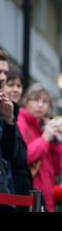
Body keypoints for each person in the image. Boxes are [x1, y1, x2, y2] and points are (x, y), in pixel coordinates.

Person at [17, 83, 62, 212]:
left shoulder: (43, 125)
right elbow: (24, 156)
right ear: (25, 101)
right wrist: (45, 137)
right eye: (36, 99)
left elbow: (56, 169)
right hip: (29, 197)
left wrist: (56, 141)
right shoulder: (20, 121)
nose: (40, 105)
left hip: (45, 197)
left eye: (45, 101)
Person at [3, 63, 33, 211]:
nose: (16, 89)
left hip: (19, 191)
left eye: (19, 86)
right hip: (10, 191)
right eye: (11, 84)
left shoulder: (14, 114)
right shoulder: (9, 115)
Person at [0, 50, 16, 210]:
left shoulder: (3, 107)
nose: (3, 77)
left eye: (5, 72)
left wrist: (9, 119)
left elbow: (9, 154)